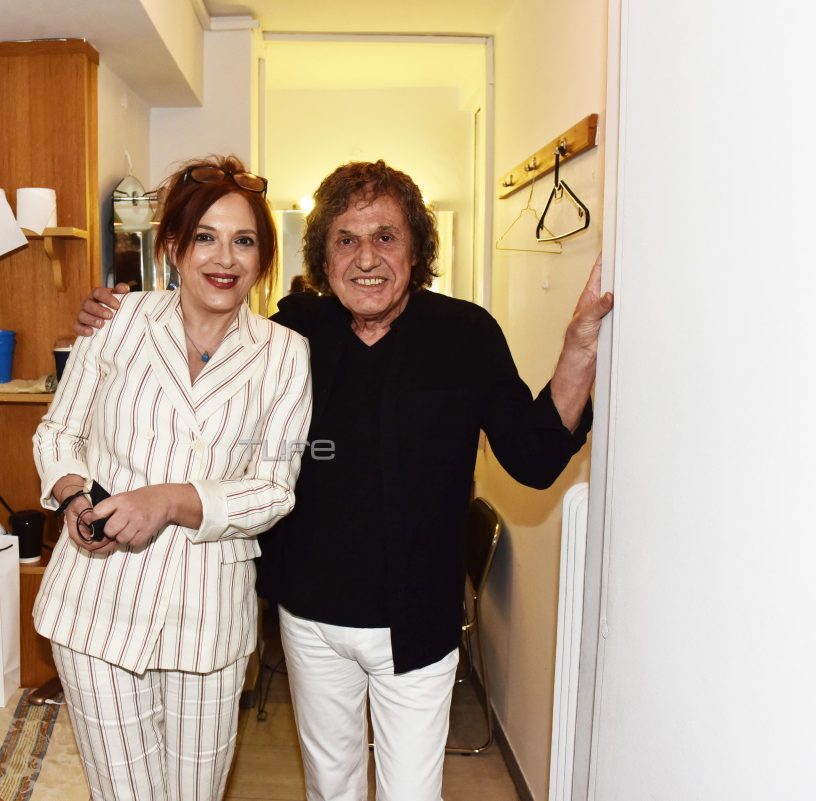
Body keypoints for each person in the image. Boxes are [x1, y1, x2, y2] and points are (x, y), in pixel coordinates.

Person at [75, 159, 613, 801]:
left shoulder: (465, 334)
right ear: (324, 256)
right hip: (310, 619)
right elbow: (208, 317)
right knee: (331, 787)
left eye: (386, 236)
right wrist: (118, 315)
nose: (366, 258)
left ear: (416, 249)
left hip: (416, 621)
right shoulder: (295, 331)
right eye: (346, 239)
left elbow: (534, 456)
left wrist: (580, 347)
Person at [32, 154, 313, 801]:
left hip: (208, 619)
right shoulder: (116, 322)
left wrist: (171, 500)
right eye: (206, 237)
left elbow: (275, 488)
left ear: (263, 258)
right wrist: (74, 495)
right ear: (174, 246)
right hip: (96, 606)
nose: (225, 258)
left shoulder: (284, 354)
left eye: (244, 241)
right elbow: (58, 433)